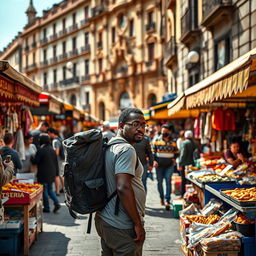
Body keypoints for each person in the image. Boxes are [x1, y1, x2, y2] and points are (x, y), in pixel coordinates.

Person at [95, 108, 146, 256]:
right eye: (135, 124)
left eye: (143, 125)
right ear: (121, 125)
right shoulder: (126, 149)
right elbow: (123, 187)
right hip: (122, 225)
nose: (140, 129)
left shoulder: (110, 145)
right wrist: (137, 223)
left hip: (105, 219)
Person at [31, 133, 61, 213]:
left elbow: (35, 161)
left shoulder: (41, 150)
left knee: (44, 190)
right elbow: (56, 162)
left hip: (43, 174)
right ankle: (56, 202)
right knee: (50, 189)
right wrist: (56, 174)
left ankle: (47, 207)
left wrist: (32, 157)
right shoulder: (51, 149)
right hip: (52, 173)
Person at [152, 124, 178, 210]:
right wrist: (154, 161)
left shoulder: (173, 141)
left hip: (169, 165)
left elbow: (176, 152)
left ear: (169, 132)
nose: (164, 133)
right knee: (159, 182)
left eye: (166, 132)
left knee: (168, 182)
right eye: (163, 132)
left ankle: (167, 200)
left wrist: (174, 158)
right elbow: (152, 152)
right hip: (159, 166)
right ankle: (161, 198)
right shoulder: (156, 140)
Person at [178, 130, 197, 196]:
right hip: (192, 164)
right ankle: (190, 193)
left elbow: (183, 154)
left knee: (183, 179)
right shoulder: (194, 143)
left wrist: (180, 163)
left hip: (184, 164)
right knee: (190, 180)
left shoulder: (184, 143)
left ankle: (183, 193)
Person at [48, 128, 65, 196]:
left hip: (58, 160)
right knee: (61, 175)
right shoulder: (60, 139)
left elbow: (56, 152)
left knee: (58, 175)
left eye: (49, 133)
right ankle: (64, 189)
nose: (48, 135)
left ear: (52, 133)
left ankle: (59, 191)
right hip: (62, 159)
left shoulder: (55, 141)